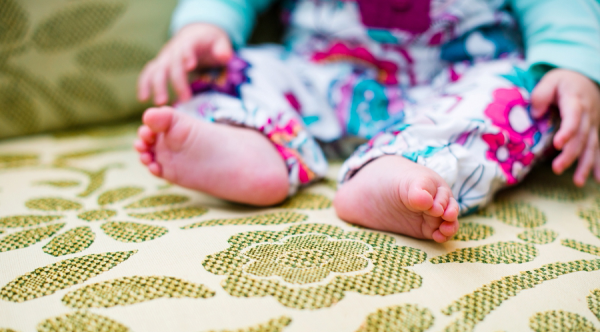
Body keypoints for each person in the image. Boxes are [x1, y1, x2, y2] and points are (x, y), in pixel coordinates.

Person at [135, 0, 600, 243]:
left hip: (454, 90)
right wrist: (205, 25)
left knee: (526, 95)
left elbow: (561, 5)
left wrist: (574, 66)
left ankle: (402, 167)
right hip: (321, 80)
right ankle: (250, 143)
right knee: (234, 68)